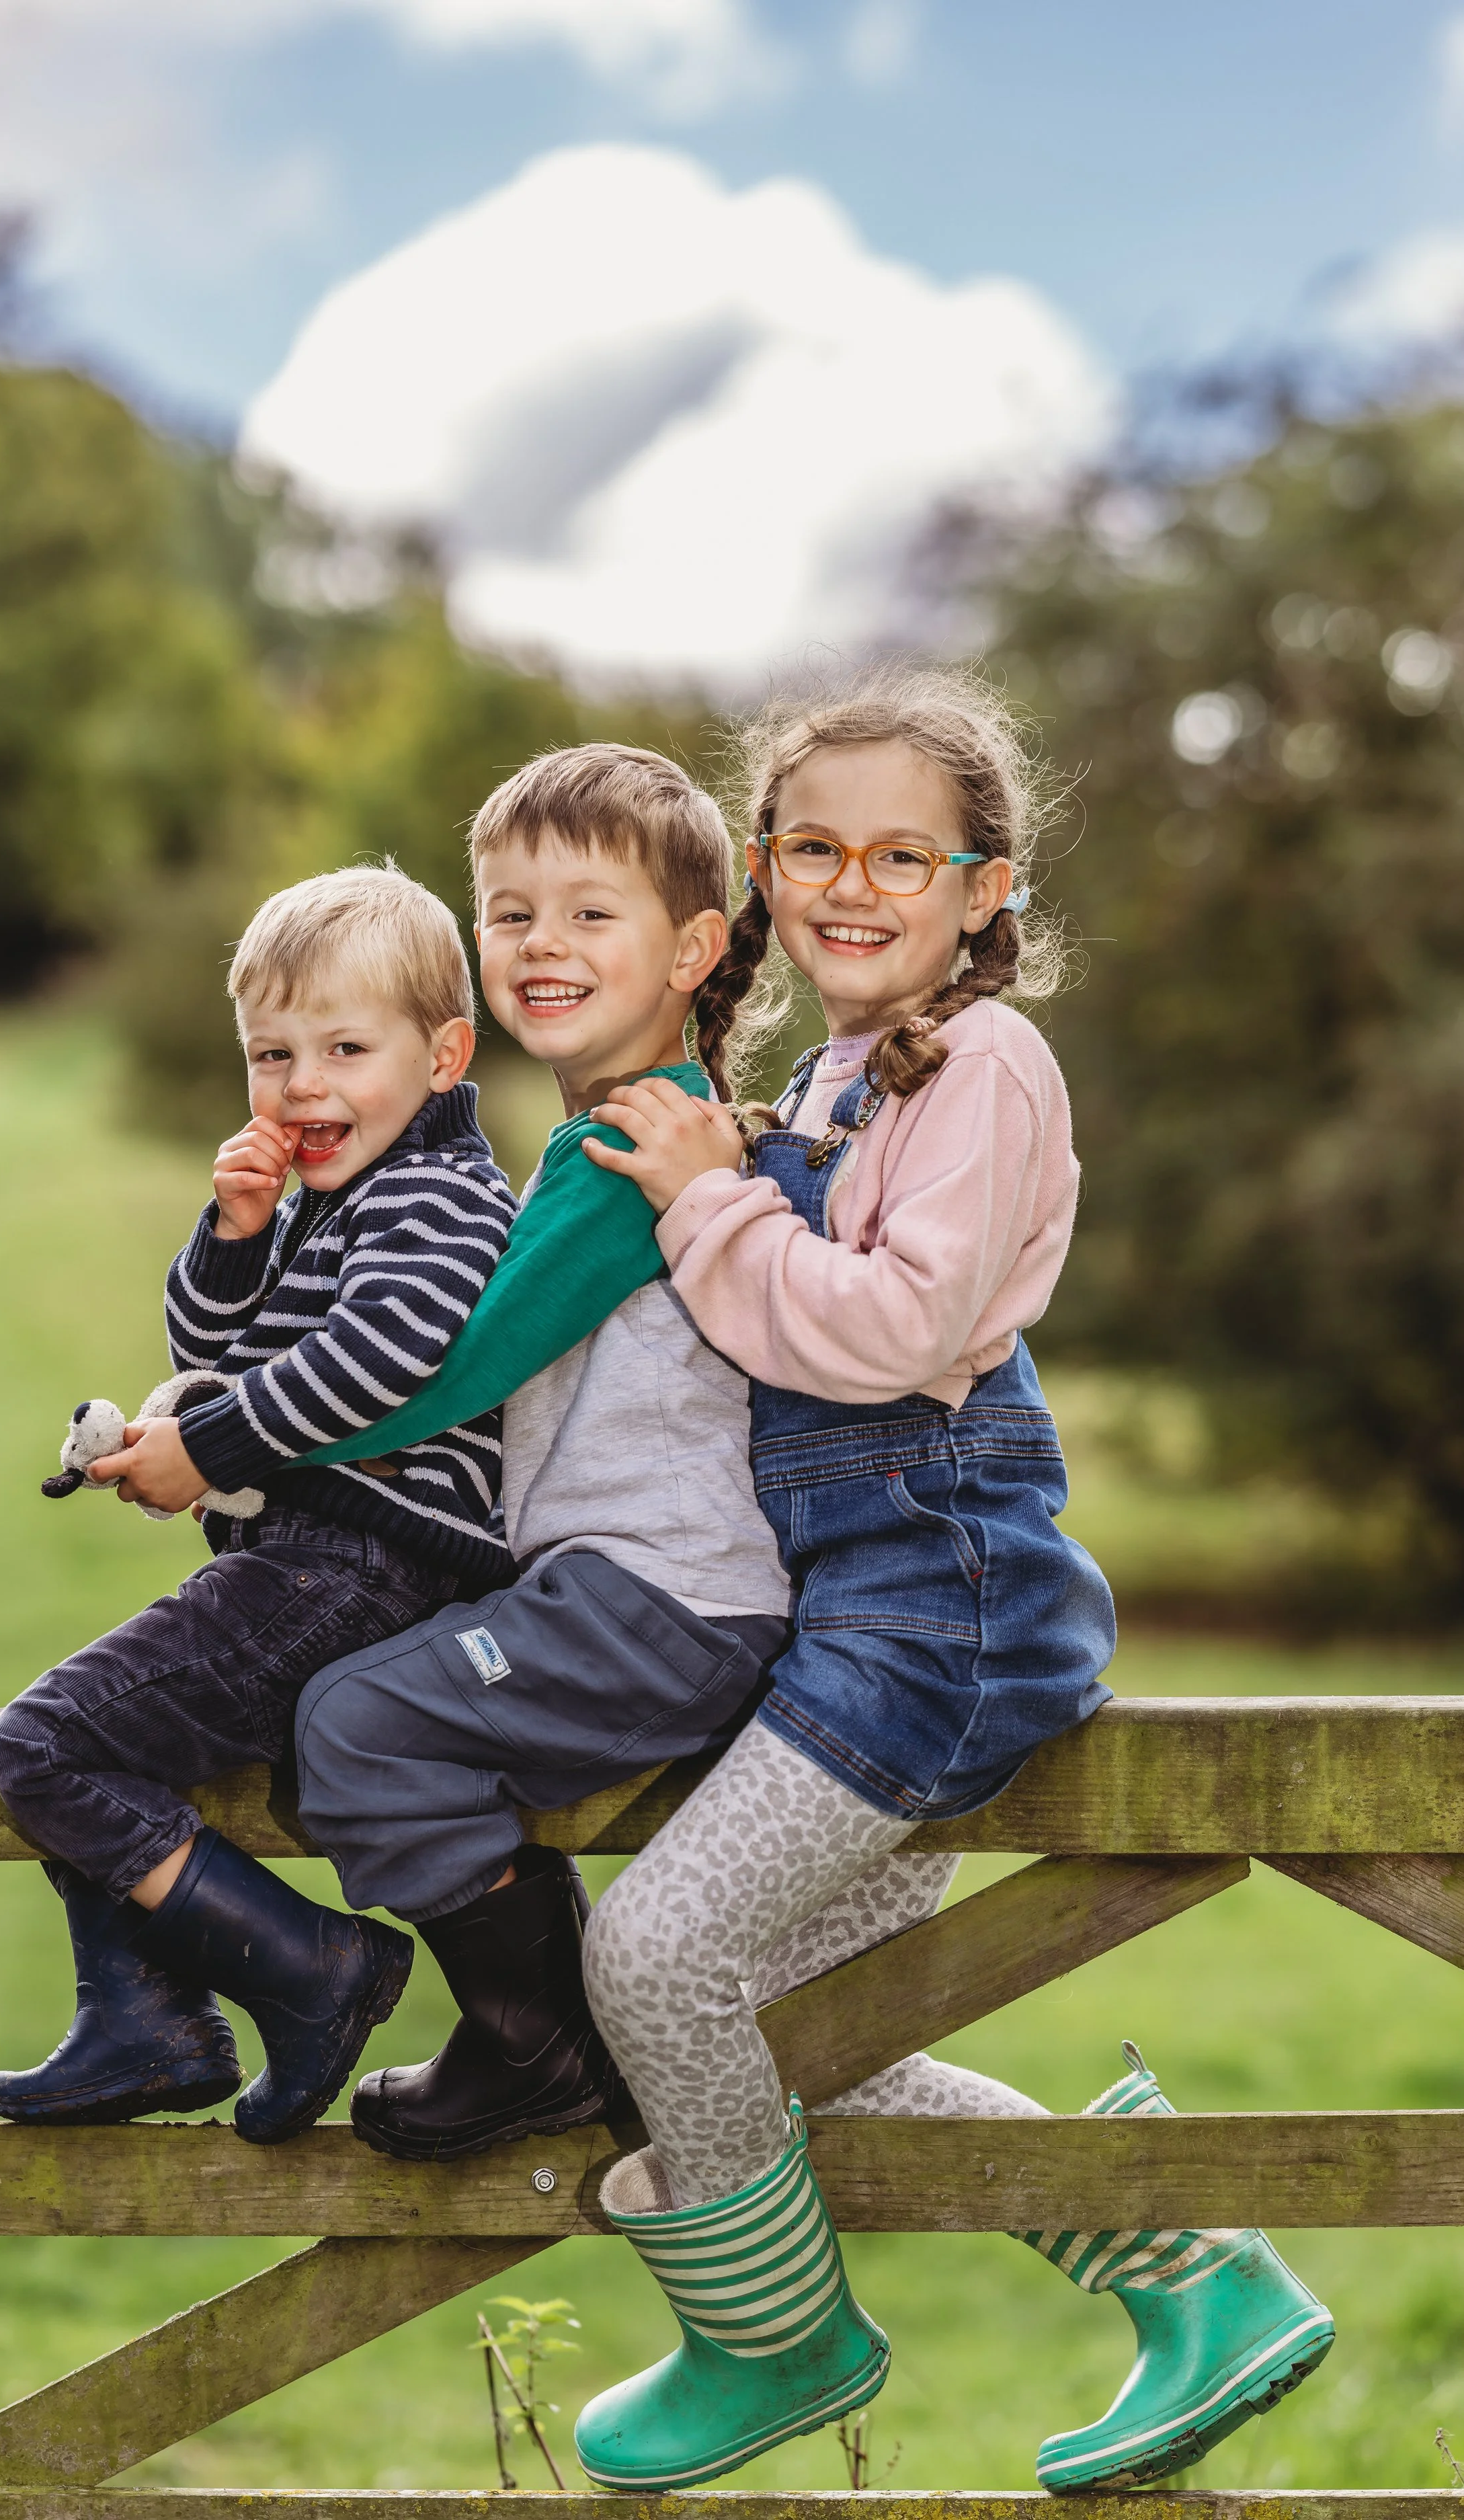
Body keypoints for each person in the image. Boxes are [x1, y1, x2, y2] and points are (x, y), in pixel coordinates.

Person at [568, 664, 1334, 2493]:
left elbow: (896, 1332)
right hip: (866, 1608)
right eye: (813, 848)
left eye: (899, 854)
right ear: (761, 870)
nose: (852, 883)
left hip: (938, 1605)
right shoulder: (832, 1068)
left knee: (655, 1948)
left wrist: (706, 1197)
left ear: (981, 886)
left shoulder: (988, 1060)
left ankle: (773, 2337)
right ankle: (1203, 2274)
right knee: (809, 2039)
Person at [286, 743, 794, 2162]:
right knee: (369, 1695)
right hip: (625, 1590)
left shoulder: (629, 1148)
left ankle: (538, 2042)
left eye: (587, 912)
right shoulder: (618, 1132)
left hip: (663, 1599)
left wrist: (237, 1439)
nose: (539, 944)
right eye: (508, 914)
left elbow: (456, 1371)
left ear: (693, 947)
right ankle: (576, 2034)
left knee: (355, 1719)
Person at [0, 865, 518, 2145]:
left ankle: (310, 1967)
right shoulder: (325, 1200)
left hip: (369, 1561)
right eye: (272, 1054)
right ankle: (145, 2024)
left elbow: (383, 1354)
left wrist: (207, 1441)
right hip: (312, 1555)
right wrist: (235, 1231)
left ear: (444, 1056)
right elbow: (215, 1331)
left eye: (345, 1047)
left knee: (43, 1745)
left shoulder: (439, 1197)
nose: (303, 1084)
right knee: (103, 1740)